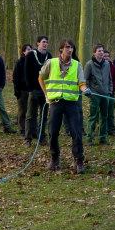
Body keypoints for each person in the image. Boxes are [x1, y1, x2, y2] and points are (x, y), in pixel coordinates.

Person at [39, 39, 89, 173]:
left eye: (71, 47)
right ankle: (54, 159)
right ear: (61, 49)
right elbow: (41, 77)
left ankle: (79, 161)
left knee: (76, 132)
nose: (70, 50)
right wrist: (46, 94)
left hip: (72, 103)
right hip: (55, 103)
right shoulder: (51, 63)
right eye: (67, 47)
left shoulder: (77, 65)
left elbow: (81, 83)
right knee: (53, 132)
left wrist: (85, 90)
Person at [22, 36, 52, 144]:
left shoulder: (49, 56)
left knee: (43, 115)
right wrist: (30, 88)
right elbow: (26, 72)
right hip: (34, 89)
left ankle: (41, 137)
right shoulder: (30, 55)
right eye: (43, 42)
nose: (45, 44)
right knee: (30, 115)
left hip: (45, 90)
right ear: (38, 43)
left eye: (46, 42)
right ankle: (28, 138)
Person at [84, 44, 113, 145]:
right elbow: (85, 80)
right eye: (99, 51)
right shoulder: (89, 64)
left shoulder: (107, 64)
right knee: (93, 116)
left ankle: (102, 138)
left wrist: (110, 91)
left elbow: (109, 79)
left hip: (105, 94)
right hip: (94, 94)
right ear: (94, 53)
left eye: (102, 51)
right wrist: (89, 92)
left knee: (104, 116)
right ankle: (89, 138)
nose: (101, 52)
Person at [12, 44, 32, 136]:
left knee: (30, 111)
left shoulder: (33, 61)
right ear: (24, 51)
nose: (30, 51)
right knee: (22, 110)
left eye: (30, 49)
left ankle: (31, 128)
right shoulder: (19, 62)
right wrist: (17, 91)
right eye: (28, 49)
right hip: (22, 90)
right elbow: (15, 77)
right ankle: (22, 129)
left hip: (31, 90)